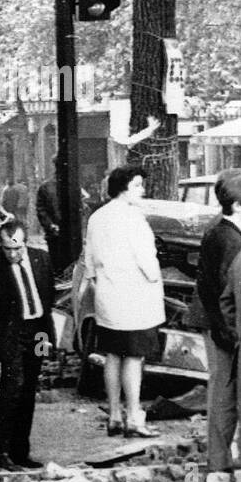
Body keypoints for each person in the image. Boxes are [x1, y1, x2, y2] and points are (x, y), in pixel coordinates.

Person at [79, 165, 165, 438]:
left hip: (108, 296)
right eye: (138, 185)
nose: (142, 190)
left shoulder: (97, 217)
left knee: (113, 355)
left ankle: (115, 415)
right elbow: (147, 261)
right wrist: (154, 280)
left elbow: (89, 260)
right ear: (125, 187)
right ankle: (134, 417)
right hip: (134, 297)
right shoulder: (133, 218)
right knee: (134, 357)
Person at [0, 220, 55, 470]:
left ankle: (21, 452)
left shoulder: (41, 259)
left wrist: (47, 340)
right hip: (11, 336)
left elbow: (48, 298)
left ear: (26, 244)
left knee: (30, 389)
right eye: (7, 248)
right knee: (12, 391)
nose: (12, 254)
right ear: (0, 244)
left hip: (38, 334)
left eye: (17, 248)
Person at [201, 171, 241, 472]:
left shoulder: (222, 230)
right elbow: (222, 291)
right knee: (225, 395)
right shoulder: (229, 239)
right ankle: (219, 462)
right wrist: (228, 332)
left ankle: (219, 461)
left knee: (223, 394)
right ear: (238, 205)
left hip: (223, 325)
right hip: (227, 330)